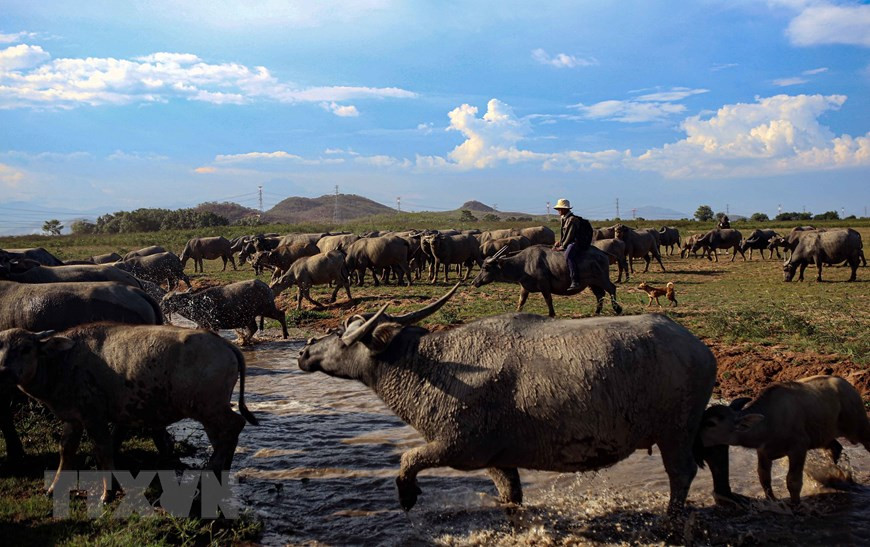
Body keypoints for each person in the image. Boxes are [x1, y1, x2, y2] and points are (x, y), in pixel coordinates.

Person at [552, 198, 593, 291]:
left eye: (559, 209)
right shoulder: (565, 218)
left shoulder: (572, 220)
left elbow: (570, 236)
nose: (558, 211)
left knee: (568, 255)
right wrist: (559, 242)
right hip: (571, 241)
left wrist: (563, 246)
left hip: (576, 243)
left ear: (564, 209)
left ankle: (575, 281)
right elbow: (565, 235)